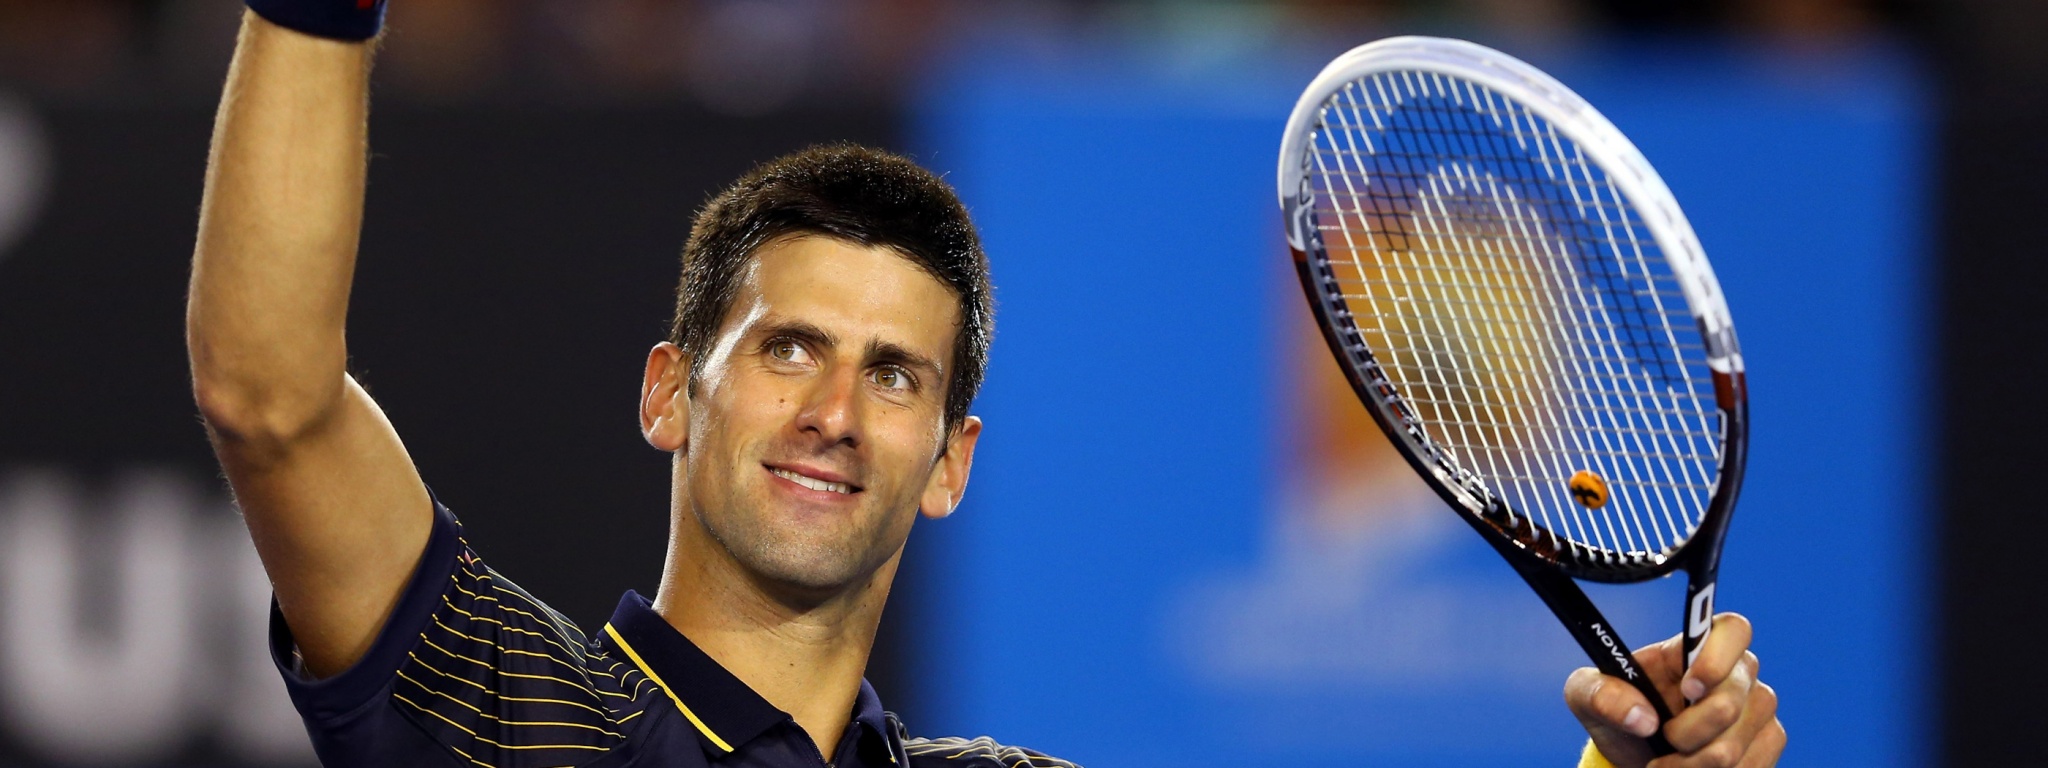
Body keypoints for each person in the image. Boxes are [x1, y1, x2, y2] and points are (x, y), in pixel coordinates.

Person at [185, 3, 1786, 767]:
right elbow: (272, 394)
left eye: (896, 377)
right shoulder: (507, 706)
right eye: (790, 348)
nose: (834, 412)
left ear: (949, 463)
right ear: (671, 392)